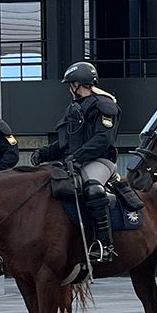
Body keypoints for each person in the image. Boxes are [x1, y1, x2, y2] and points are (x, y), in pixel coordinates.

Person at [35, 61, 120, 262]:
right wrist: (44, 153)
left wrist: (76, 157)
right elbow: (66, 141)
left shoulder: (104, 105)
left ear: (77, 84)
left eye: (71, 84)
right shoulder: (74, 107)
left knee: (92, 189)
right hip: (75, 162)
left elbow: (102, 139)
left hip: (100, 160)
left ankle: (104, 245)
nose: (70, 89)